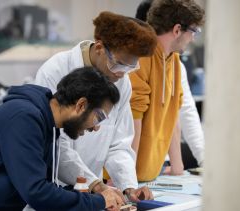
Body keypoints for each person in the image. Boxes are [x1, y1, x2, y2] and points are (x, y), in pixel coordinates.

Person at [0, 67, 124, 211]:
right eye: (98, 117)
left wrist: (91, 194)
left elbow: (41, 188)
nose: (96, 127)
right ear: (81, 105)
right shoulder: (24, 118)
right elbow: (37, 192)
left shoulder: (47, 122)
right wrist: (99, 201)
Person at [34, 11, 157, 202]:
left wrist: (128, 187)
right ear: (99, 48)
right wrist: (95, 185)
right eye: (119, 65)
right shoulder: (56, 70)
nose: (121, 74)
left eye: (130, 68)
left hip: (93, 192)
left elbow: (119, 144)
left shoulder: (122, 83)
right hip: (55, 188)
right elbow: (56, 143)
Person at [130, 0, 205, 181]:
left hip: (150, 176)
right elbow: (133, 123)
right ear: (177, 30)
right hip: (126, 178)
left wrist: (177, 166)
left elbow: (174, 114)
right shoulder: (141, 59)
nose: (193, 38)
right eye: (193, 31)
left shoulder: (175, 63)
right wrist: (126, 178)